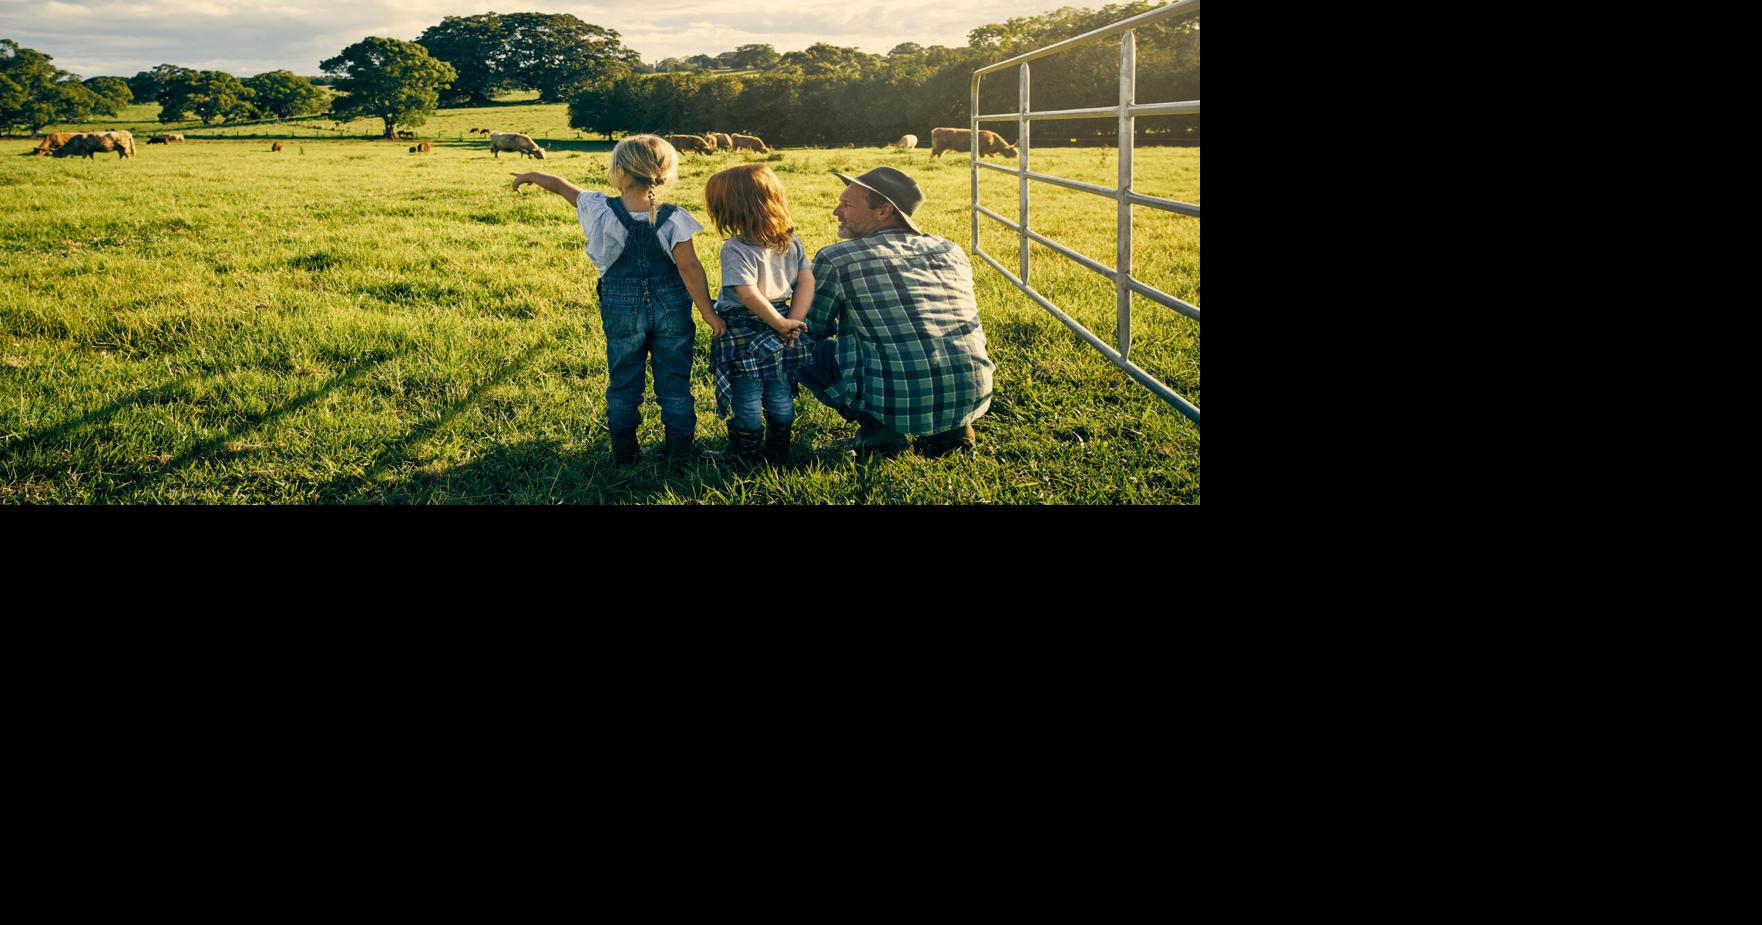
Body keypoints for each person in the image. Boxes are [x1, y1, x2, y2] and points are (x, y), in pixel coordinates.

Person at [510, 134, 724, 465]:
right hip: (672, 306)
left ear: (619, 170)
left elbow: (563, 187)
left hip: (621, 306)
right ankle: (680, 454)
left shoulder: (599, 209)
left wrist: (532, 176)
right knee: (675, 382)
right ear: (664, 172)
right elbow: (689, 267)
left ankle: (625, 454)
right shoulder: (674, 217)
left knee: (624, 380)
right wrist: (709, 313)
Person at [799, 166, 994, 459]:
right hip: (973, 393)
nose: (836, 212)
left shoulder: (838, 258)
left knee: (793, 343)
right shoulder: (950, 250)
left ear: (884, 211)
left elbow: (811, 327)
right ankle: (954, 432)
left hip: (896, 401)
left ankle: (879, 431)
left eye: (847, 205)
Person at [701, 164, 815, 466]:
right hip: (783, 320)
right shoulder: (791, 241)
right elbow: (806, 281)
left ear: (732, 209)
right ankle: (778, 452)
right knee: (779, 389)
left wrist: (780, 323)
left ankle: (744, 455)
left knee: (748, 394)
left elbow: (748, 294)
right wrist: (792, 321)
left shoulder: (736, 248)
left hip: (745, 327)